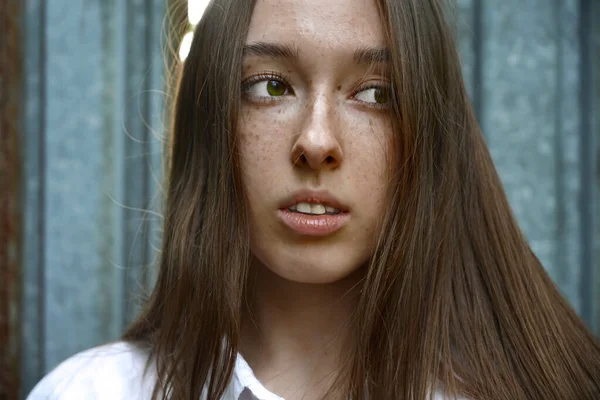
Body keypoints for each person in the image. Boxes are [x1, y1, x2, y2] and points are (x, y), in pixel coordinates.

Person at [27, 0, 600, 399]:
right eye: (271, 86)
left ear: (427, 134)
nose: (317, 142)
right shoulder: (88, 393)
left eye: (375, 94)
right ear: (213, 119)